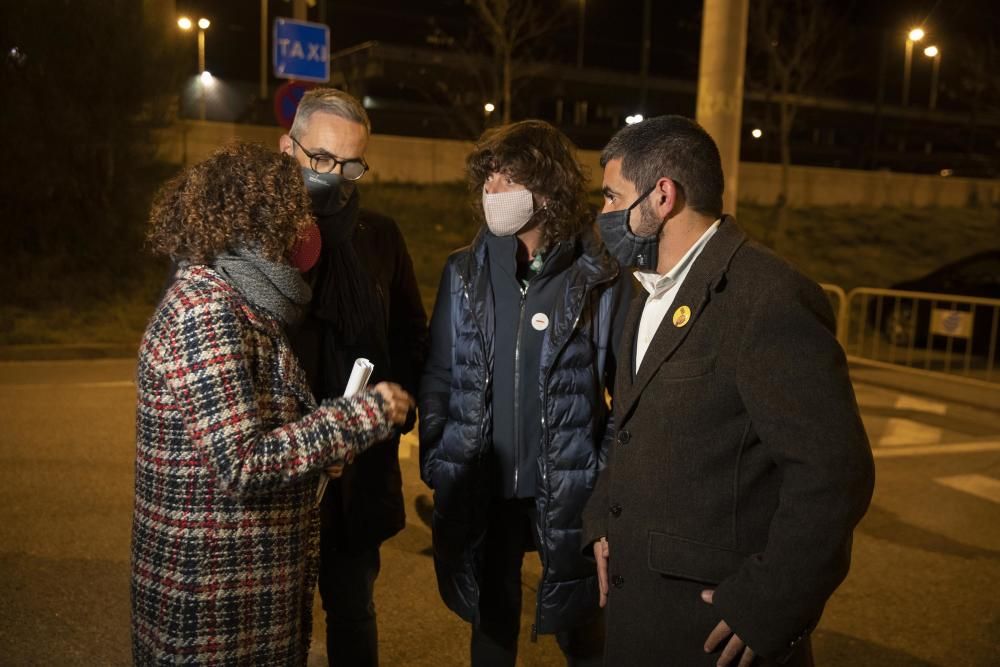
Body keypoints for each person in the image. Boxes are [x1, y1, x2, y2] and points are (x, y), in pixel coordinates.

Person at [583, 115, 876, 666]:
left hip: (710, 630)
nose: (603, 214)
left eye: (611, 196)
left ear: (662, 195)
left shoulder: (767, 296)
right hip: (638, 611)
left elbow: (835, 472)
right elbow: (629, 427)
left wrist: (770, 603)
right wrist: (602, 520)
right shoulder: (644, 290)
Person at [130, 142, 414, 665]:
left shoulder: (243, 298)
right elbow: (242, 461)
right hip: (214, 596)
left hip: (240, 583)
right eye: (295, 211)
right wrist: (354, 419)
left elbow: (262, 421)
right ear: (257, 219)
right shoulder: (207, 310)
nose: (306, 227)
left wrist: (319, 449)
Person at [418, 120, 630, 666]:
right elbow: (440, 374)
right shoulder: (464, 272)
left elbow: (624, 397)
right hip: (484, 485)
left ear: (548, 186)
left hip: (568, 485)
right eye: (488, 178)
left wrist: (603, 484)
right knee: (492, 623)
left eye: (508, 177)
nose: (494, 190)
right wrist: (441, 464)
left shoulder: (596, 277)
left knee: (584, 626)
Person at [279, 88, 428, 667]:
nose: (334, 178)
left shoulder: (381, 238)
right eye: (320, 160)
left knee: (353, 609)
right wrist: (306, 438)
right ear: (286, 148)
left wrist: (391, 417)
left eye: (350, 165)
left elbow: (412, 338)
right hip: (283, 472)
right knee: (276, 621)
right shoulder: (259, 241)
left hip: (358, 475)